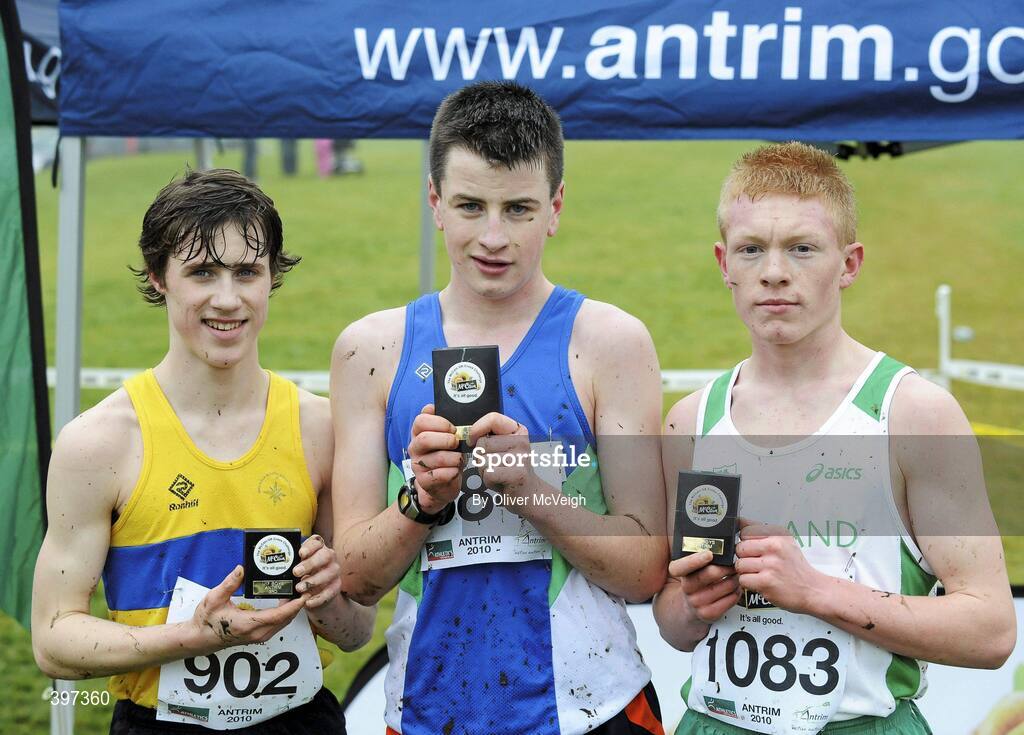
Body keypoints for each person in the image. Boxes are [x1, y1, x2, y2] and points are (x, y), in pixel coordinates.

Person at [330, 81, 668, 734]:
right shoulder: (370, 349)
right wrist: (421, 500)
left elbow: (645, 568)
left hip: (591, 710)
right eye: (469, 206)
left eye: (518, 208)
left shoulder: (610, 342)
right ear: (434, 202)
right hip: (428, 710)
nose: (492, 236)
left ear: (556, 206)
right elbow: (356, 578)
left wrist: (533, 491)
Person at [653, 142, 1016, 734]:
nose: (773, 271)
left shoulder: (912, 414)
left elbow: (992, 629)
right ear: (724, 263)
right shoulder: (690, 420)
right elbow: (671, 619)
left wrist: (816, 591)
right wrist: (693, 606)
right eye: (751, 250)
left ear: (849, 264)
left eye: (802, 248)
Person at [31, 169, 375, 733]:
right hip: (157, 722)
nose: (228, 298)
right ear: (158, 277)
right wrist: (194, 638)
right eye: (202, 272)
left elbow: (358, 630)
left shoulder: (322, 427)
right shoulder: (97, 444)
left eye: (247, 272)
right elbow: (52, 639)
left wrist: (327, 596)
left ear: (272, 277)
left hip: (300, 720)